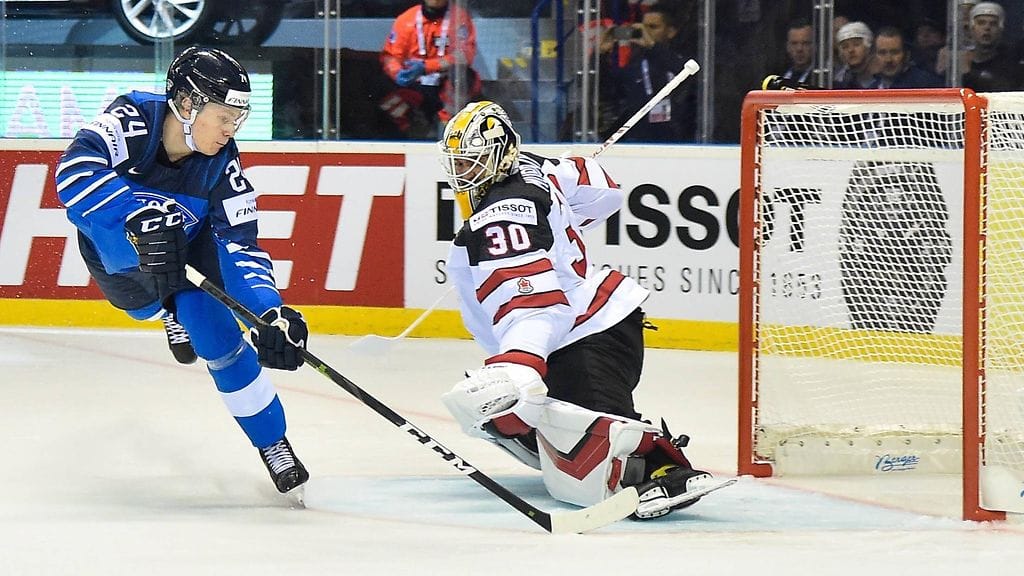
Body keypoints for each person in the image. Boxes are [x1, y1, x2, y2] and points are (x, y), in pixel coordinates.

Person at [436, 100, 718, 520]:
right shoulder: (534, 168)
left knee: (574, 439)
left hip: (584, 336)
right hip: (592, 330)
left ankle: (663, 469)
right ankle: (566, 437)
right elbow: (606, 193)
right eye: (459, 164)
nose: (464, 175)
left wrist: (519, 364)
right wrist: (555, 200)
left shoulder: (501, 215)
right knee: (486, 411)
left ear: (500, 154)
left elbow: (534, 303)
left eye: (473, 163)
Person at [55, 47, 310, 496]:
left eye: (238, 118)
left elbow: (239, 244)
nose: (231, 129)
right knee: (141, 308)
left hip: (188, 249)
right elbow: (74, 169)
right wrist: (134, 216)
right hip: (118, 252)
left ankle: (273, 443)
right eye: (224, 116)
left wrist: (270, 312)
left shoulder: (223, 164)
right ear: (188, 103)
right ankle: (165, 308)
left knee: (218, 340)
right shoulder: (132, 119)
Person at [379, 0, 482, 139]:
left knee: (462, 77)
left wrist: (428, 66)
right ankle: (411, 132)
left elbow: (465, 55)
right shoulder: (407, 19)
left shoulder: (459, 18)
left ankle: (451, 130)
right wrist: (397, 72)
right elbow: (390, 56)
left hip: (445, 84)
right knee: (383, 89)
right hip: (414, 85)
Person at [600, 1, 696, 142]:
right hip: (639, 140)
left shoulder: (684, 59)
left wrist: (652, 46)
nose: (645, 32)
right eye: (643, 27)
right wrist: (601, 55)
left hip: (679, 139)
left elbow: (689, 75)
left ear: (671, 31)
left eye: (652, 27)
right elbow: (607, 90)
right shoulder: (634, 64)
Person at [961, 2, 1024, 92]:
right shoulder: (959, 61)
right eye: (981, 23)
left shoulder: (1011, 66)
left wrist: (968, 74)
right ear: (972, 28)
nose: (987, 28)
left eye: (993, 24)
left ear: (1000, 30)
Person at [874, 26, 945, 89]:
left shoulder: (927, 85)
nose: (888, 59)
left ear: (907, 55)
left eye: (895, 52)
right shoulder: (871, 88)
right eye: (882, 53)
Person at [833, 21, 879, 89]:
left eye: (856, 44)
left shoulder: (882, 76)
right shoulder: (839, 81)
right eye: (845, 47)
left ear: (868, 47)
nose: (851, 50)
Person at [777, 18, 815, 86]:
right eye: (794, 43)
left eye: (805, 43)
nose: (799, 49)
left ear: (814, 46)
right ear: (787, 46)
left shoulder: (821, 78)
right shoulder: (777, 76)